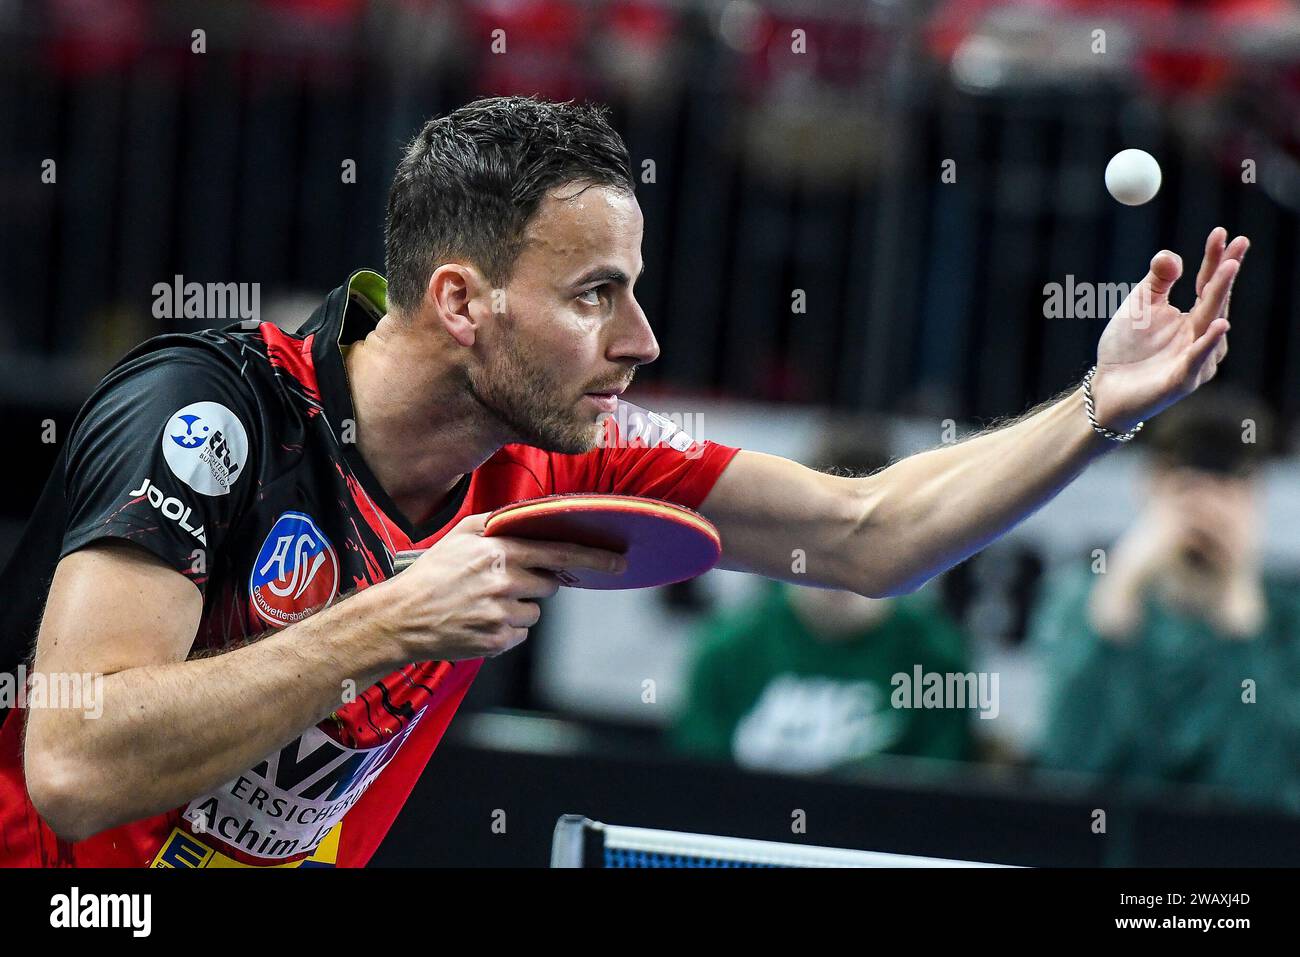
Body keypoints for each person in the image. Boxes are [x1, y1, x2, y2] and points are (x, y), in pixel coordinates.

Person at [0, 95, 1244, 867]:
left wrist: (1098, 406)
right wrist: (391, 621)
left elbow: (870, 533)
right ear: (461, 303)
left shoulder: (552, 460)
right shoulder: (208, 414)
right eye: (597, 294)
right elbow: (76, 762)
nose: (642, 339)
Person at [1029, 388, 1300, 811]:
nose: (1207, 511)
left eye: (1228, 490)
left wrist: (1242, 622)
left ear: (1257, 499)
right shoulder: (1085, 601)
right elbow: (1066, 769)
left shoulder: (1285, 621)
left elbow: (1268, 790)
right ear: (1149, 486)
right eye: (1187, 488)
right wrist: (1115, 606)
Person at [673, 430, 973, 773]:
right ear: (790, 530)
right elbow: (698, 788)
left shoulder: (937, 657)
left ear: (904, 546)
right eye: (823, 533)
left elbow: (939, 799)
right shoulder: (727, 649)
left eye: (867, 539)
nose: (843, 561)